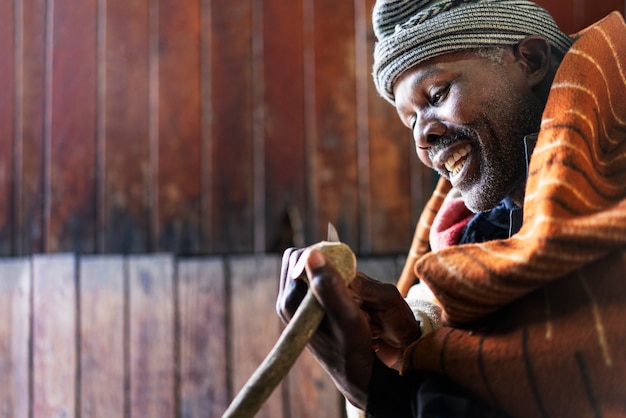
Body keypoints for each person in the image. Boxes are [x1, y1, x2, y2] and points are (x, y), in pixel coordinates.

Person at [277, 1, 626, 417]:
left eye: (437, 95)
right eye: (410, 123)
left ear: (530, 60)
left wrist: (371, 389)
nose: (424, 137)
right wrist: (414, 334)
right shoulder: (473, 232)